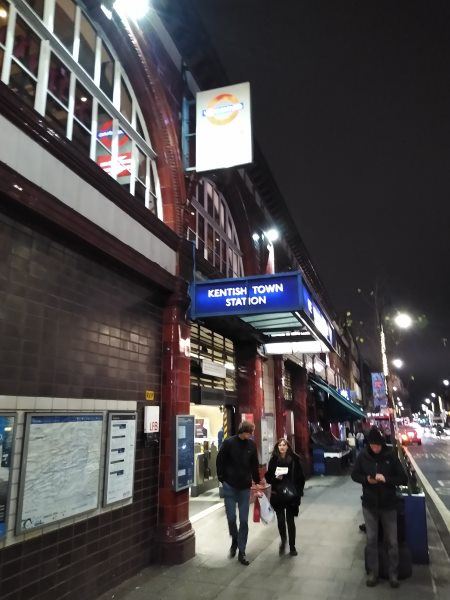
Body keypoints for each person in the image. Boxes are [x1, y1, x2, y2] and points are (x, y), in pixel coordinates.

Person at [351, 426, 407, 588]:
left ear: (382, 444)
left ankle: (393, 574)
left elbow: (403, 479)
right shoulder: (363, 456)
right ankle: (373, 573)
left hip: (389, 505)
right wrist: (367, 479)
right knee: (371, 540)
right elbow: (354, 475)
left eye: (377, 445)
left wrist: (386, 479)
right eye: (372, 445)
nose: (375, 448)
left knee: (392, 541)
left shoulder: (390, 456)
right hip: (369, 505)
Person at [216, 420, 261, 565]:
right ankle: (234, 538)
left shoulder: (251, 445)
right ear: (243, 431)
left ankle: (241, 550)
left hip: (244, 488)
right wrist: (222, 478)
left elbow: (254, 464)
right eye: (249, 432)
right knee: (231, 517)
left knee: (243, 520)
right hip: (229, 486)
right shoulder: (229, 443)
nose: (250, 435)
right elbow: (220, 460)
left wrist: (257, 480)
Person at [265, 438, 305, 556]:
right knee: (281, 520)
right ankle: (283, 540)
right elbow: (268, 477)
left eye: (284, 445)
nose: (282, 447)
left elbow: (301, 478)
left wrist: (299, 492)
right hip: (278, 494)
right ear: (277, 447)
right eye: (280, 445)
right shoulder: (273, 461)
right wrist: (275, 478)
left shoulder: (294, 460)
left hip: (291, 494)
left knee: (290, 521)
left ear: (288, 447)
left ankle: (292, 546)